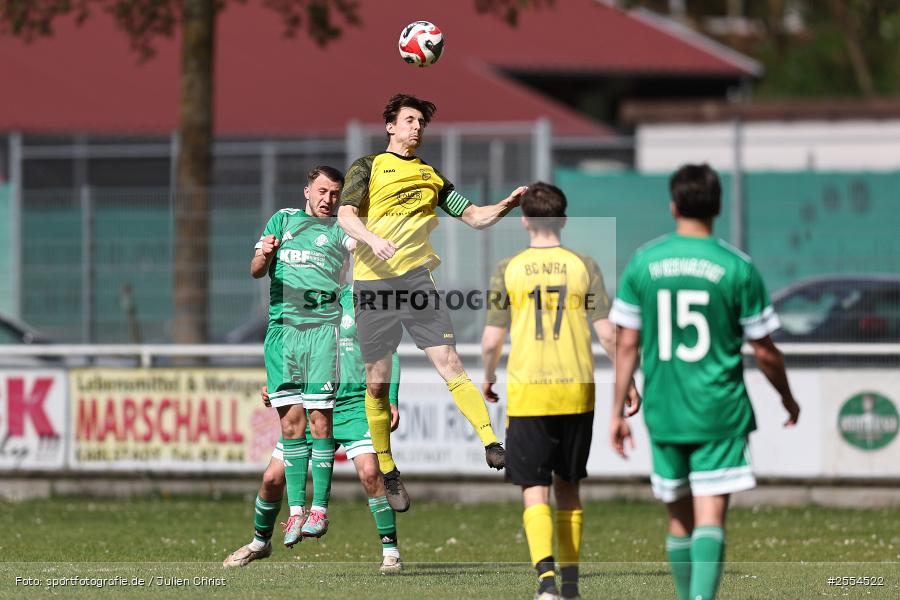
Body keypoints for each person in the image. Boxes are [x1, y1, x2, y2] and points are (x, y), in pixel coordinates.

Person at [608, 164, 800, 600]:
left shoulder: (644, 262)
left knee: (679, 518)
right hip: (719, 409)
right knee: (710, 514)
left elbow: (626, 344)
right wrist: (788, 398)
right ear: (718, 206)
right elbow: (765, 351)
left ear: (673, 206)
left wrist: (617, 412)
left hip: (665, 408)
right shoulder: (737, 266)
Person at [336, 93, 528, 512]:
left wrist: (506, 205)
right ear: (390, 126)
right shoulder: (368, 166)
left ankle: (492, 444)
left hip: (417, 281)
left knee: (451, 363)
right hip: (373, 285)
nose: (417, 127)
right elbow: (345, 214)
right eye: (409, 120)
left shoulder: (431, 176)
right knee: (377, 383)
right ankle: (388, 468)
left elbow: (474, 217)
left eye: (421, 122)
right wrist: (371, 238)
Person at [481, 182, 640, 600]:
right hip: (576, 390)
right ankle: (570, 585)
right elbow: (608, 334)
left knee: (535, 488)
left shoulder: (508, 268)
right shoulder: (584, 265)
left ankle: (546, 582)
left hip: (529, 392)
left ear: (524, 221)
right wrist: (628, 381)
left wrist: (489, 376)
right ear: (564, 220)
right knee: (568, 486)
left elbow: (491, 339)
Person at [222, 303, 403, 572]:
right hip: (312, 407)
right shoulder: (307, 303)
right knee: (271, 478)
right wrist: (277, 386)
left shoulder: (359, 301)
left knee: (370, 473)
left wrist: (391, 398)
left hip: (353, 407)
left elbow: (388, 352)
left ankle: (391, 552)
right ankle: (260, 543)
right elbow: (292, 349)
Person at [250, 165, 352, 546]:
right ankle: (295, 513)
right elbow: (255, 270)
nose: (328, 199)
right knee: (291, 426)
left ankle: (319, 509)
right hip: (282, 335)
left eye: (335, 194)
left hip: (321, 332)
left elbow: (361, 257)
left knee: (319, 419)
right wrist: (265, 253)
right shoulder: (283, 220)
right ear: (307, 190)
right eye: (322, 191)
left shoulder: (340, 230)